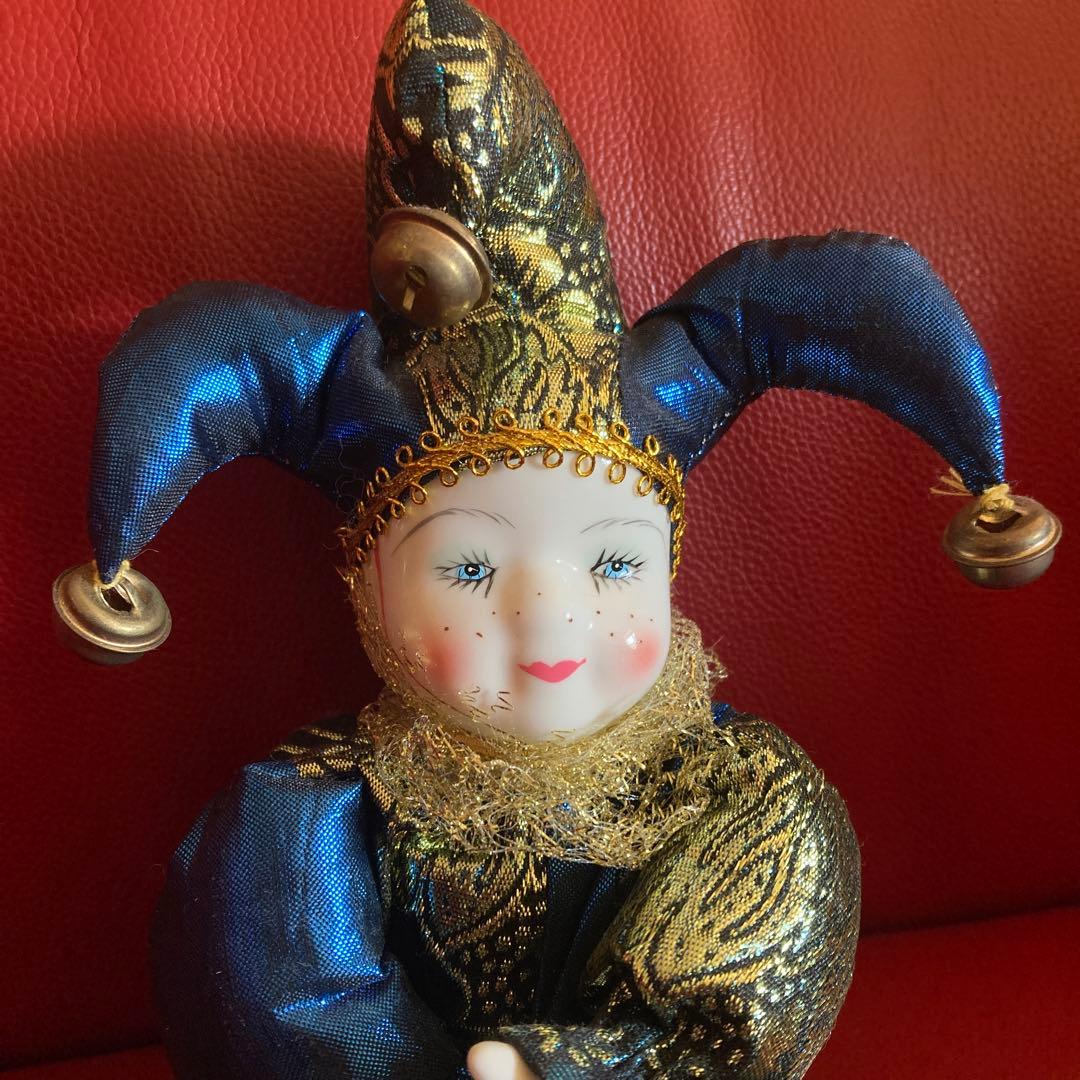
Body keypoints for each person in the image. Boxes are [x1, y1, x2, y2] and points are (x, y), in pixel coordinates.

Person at [52, 0, 1057, 1076]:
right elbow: (270, 985)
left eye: (615, 563)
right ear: (370, 587)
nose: (552, 617)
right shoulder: (319, 806)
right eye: (468, 567)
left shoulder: (732, 788)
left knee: (791, 815)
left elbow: (769, 953)